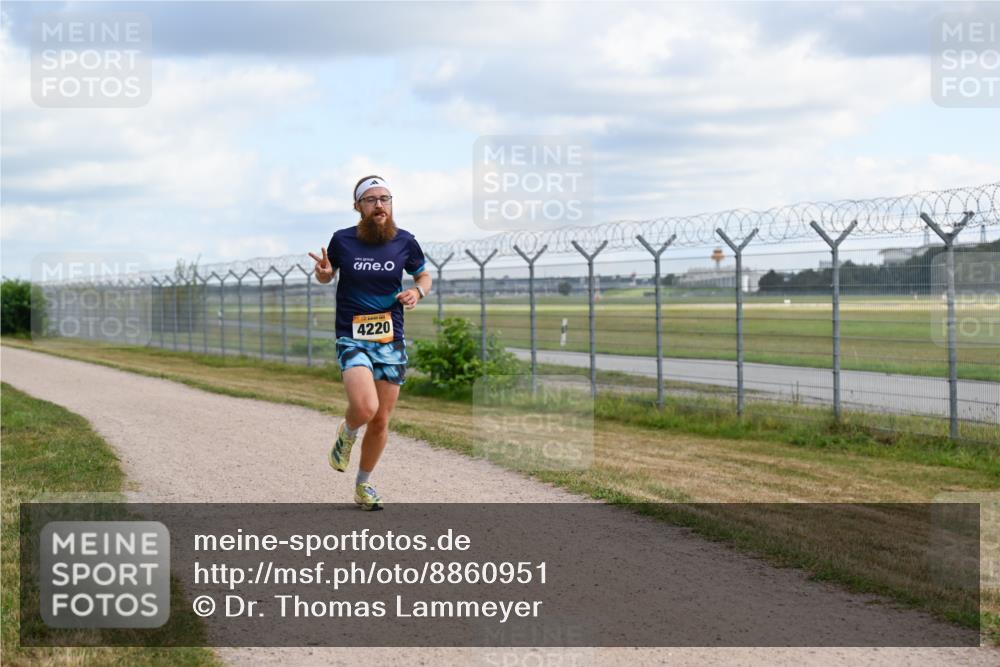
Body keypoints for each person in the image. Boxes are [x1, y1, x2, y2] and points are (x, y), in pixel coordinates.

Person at [308, 175, 431, 510]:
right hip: (353, 336)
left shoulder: (405, 241)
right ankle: (347, 433)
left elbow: (423, 275)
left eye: (385, 198)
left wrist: (417, 291)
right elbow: (326, 273)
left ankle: (363, 485)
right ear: (358, 206)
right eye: (371, 199)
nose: (379, 205)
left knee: (380, 421)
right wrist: (323, 273)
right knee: (365, 408)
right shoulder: (343, 240)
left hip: (391, 339)